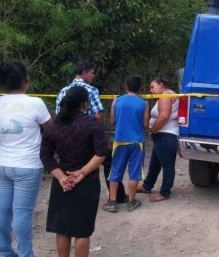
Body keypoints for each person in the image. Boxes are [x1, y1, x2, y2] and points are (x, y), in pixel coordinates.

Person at [0, 60, 52, 257]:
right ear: (25, 81)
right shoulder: (35, 103)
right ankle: (26, 254)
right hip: (28, 165)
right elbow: (51, 130)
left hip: (2, 164)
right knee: (22, 213)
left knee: (2, 210)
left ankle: (5, 252)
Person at [41, 86, 109, 257]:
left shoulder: (54, 127)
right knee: (82, 232)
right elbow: (102, 152)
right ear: (85, 104)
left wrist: (62, 177)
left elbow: (45, 155)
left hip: (62, 183)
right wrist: (82, 173)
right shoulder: (93, 124)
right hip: (87, 182)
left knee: (62, 229)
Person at [56, 60, 128, 205]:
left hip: (66, 135)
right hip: (87, 135)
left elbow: (59, 115)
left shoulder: (63, 90)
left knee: (73, 165)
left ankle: (71, 196)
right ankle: (117, 196)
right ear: (83, 73)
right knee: (107, 161)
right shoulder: (91, 90)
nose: (93, 76)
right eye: (92, 73)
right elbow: (98, 115)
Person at [104, 75, 149, 212]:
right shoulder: (144, 103)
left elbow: (112, 121)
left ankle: (112, 202)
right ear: (140, 88)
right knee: (134, 172)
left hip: (119, 141)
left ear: (126, 87)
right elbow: (145, 124)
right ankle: (131, 201)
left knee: (115, 170)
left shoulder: (116, 101)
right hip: (136, 141)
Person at [136, 78, 179, 202]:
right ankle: (147, 186)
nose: (151, 90)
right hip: (163, 135)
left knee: (167, 165)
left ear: (161, 85)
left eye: (152, 87)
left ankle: (165, 192)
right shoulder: (170, 94)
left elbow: (164, 116)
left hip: (165, 135)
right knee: (155, 162)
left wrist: (153, 130)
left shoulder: (166, 96)